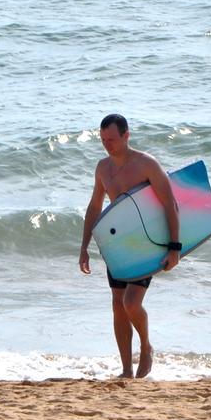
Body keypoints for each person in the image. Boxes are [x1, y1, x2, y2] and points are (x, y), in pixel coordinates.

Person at [78, 114, 181, 379]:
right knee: (117, 304)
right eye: (102, 140)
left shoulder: (146, 164)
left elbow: (170, 203)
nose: (107, 145)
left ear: (126, 136)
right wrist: (84, 246)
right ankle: (125, 370)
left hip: (146, 243)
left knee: (131, 303)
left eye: (111, 139)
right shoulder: (103, 168)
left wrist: (174, 247)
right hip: (117, 245)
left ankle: (146, 346)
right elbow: (94, 206)